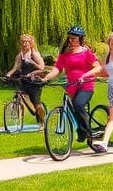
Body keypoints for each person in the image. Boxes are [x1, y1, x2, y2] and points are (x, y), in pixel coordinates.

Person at [40, 25, 104, 153]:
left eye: (74, 39)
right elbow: (57, 69)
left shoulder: (87, 53)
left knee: (78, 105)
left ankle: (87, 132)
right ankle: (81, 131)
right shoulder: (65, 55)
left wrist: (85, 75)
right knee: (73, 107)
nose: (71, 41)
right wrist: (45, 78)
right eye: (70, 38)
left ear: (80, 39)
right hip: (71, 87)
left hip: (86, 86)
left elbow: (98, 68)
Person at [5, 33, 47, 124]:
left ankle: (43, 122)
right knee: (18, 95)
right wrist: (8, 75)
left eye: (26, 42)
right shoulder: (19, 56)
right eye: (23, 42)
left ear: (31, 43)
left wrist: (31, 62)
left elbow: (42, 68)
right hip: (24, 81)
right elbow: (15, 68)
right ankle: (18, 116)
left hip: (35, 82)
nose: (24, 44)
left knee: (37, 104)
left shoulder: (34, 54)